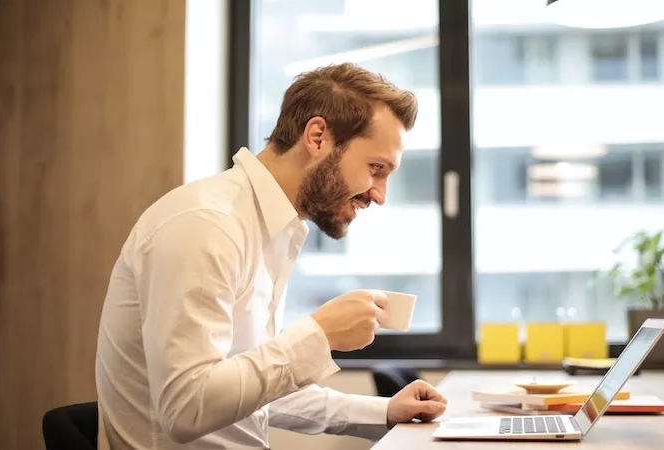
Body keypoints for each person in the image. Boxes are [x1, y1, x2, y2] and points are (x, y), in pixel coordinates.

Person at [95, 62, 448, 450]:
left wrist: (381, 412)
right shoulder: (206, 225)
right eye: (375, 168)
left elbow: (248, 391)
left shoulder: (274, 228)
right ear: (317, 137)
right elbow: (186, 409)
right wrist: (319, 334)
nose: (380, 194)